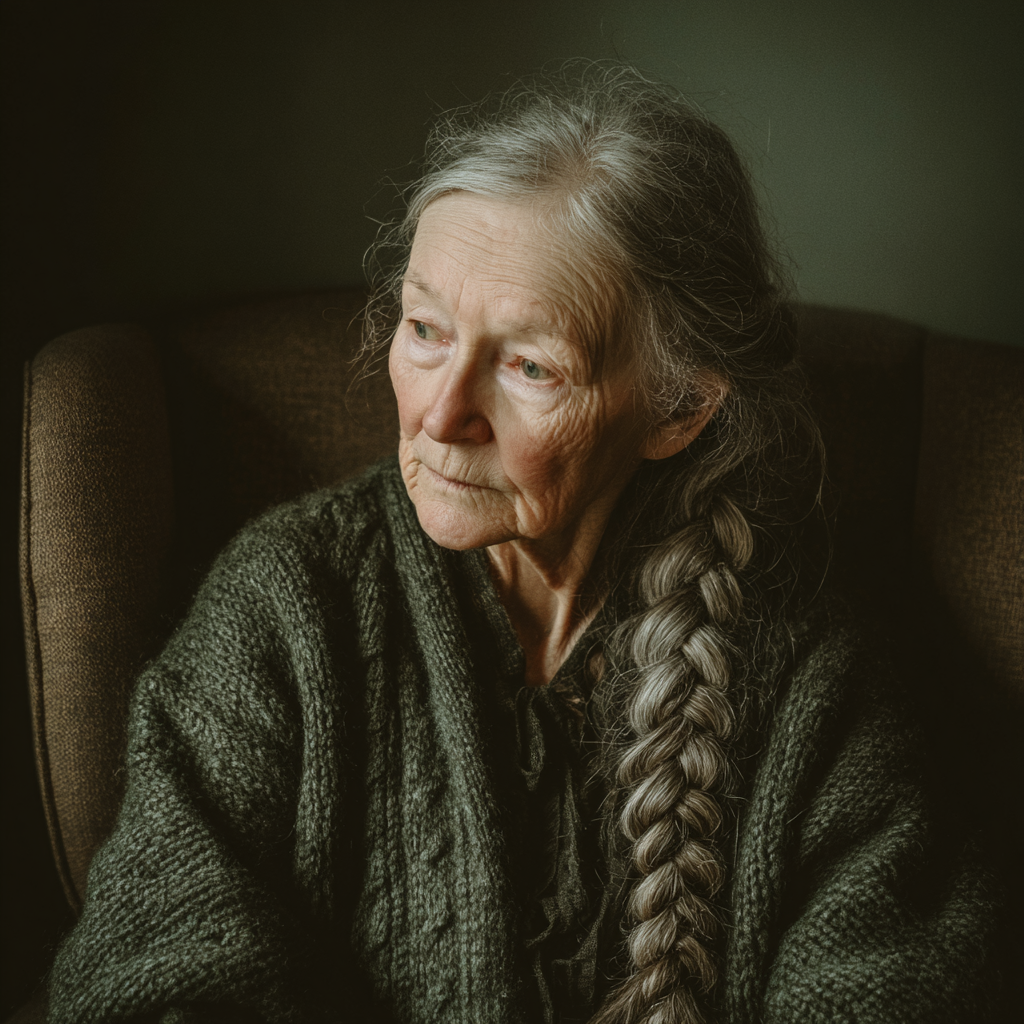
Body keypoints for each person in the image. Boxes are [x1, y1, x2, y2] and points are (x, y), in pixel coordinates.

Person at [46, 65, 999, 1024]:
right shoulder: (291, 604)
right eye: (425, 328)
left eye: (530, 365)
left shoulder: (814, 675)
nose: (442, 413)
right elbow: (150, 978)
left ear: (678, 409)